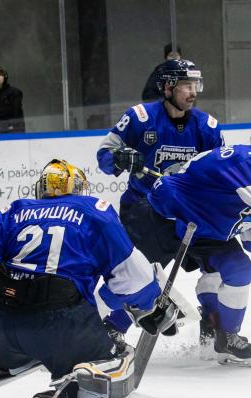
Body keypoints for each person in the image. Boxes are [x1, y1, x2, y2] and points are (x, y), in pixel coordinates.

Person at [0, 160, 177, 398]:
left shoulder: (13, 211)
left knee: (16, 340)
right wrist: (149, 307)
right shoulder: (95, 212)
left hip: (3, 324)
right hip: (64, 327)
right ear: (80, 188)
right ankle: (76, 395)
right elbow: (135, 279)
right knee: (118, 354)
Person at [101, 121, 251, 367]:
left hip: (203, 231)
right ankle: (103, 327)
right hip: (162, 219)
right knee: (138, 278)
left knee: (238, 267)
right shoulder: (250, 161)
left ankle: (224, 335)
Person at [96, 58, 225, 351]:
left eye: (196, 86)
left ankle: (214, 319)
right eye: (186, 86)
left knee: (222, 260)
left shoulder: (207, 126)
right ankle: (112, 325)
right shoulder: (140, 117)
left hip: (189, 211)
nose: (193, 92)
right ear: (168, 88)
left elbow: (221, 172)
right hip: (145, 209)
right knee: (137, 272)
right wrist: (120, 157)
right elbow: (105, 153)